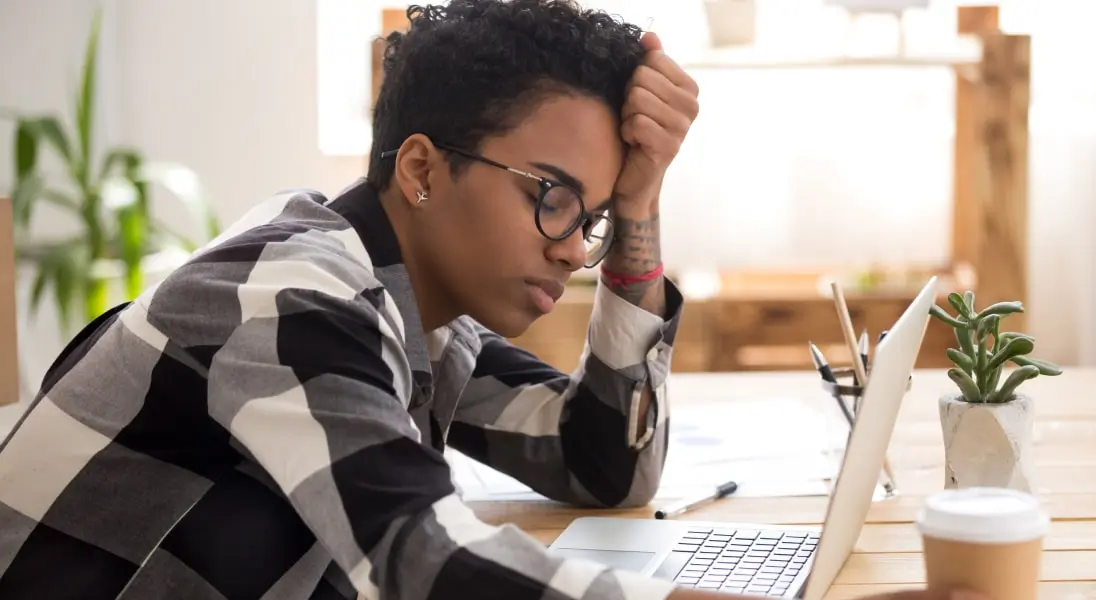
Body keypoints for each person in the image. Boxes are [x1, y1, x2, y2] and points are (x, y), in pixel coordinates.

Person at [0, 1, 988, 599]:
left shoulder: (421, 319)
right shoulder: (291, 303)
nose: (572, 249)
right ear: (423, 170)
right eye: (552, 197)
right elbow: (422, 562)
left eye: (591, 214)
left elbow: (603, 466)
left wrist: (639, 213)